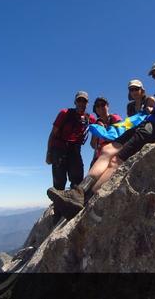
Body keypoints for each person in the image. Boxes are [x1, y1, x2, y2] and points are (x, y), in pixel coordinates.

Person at [47, 60, 155, 220]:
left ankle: (87, 201)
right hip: (145, 124)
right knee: (107, 149)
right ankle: (79, 192)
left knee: (116, 160)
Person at [45, 91, 96, 222]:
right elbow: (53, 134)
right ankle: (57, 214)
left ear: (87, 103)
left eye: (84, 101)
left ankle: (73, 204)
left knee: (77, 177)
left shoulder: (90, 119)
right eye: (79, 100)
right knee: (59, 181)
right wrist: (49, 153)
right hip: (59, 148)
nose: (81, 103)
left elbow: (99, 126)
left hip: (74, 150)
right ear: (75, 102)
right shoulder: (64, 113)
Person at [90, 97, 122, 167]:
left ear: (107, 106)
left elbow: (122, 136)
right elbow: (92, 145)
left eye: (102, 104)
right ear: (95, 109)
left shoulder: (115, 118)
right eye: (97, 106)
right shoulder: (96, 124)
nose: (100, 107)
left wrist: (104, 132)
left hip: (113, 153)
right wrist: (98, 132)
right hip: (99, 156)